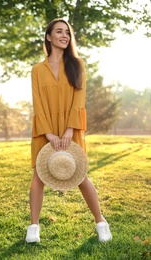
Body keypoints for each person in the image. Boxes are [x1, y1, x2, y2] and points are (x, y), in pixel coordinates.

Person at [25, 18, 112, 243]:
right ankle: (33, 227)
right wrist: (49, 133)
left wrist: (69, 130)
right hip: (45, 129)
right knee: (38, 175)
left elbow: (78, 101)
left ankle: (101, 222)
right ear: (48, 37)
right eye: (59, 31)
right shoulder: (36, 70)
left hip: (70, 129)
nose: (65, 35)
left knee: (80, 174)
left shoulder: (77, 65)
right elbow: (38, 103)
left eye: (67, 32)